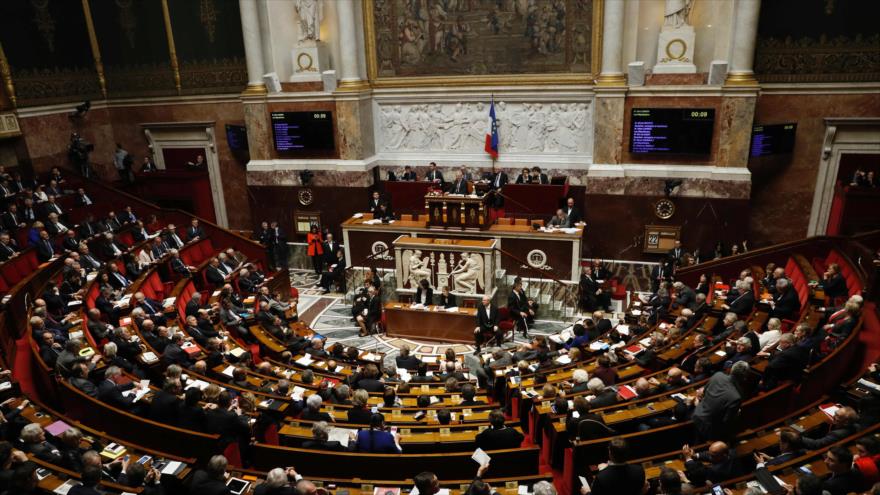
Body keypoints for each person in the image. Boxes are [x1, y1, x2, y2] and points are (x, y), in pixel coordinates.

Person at [692, 361, 751, 442]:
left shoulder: (718, 375)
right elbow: (727, 421)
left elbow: (705, 393)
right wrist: (736, 413)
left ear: (731, 370)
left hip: (697, 414)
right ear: (744, 378)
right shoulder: (736, 397)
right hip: (708, 428)